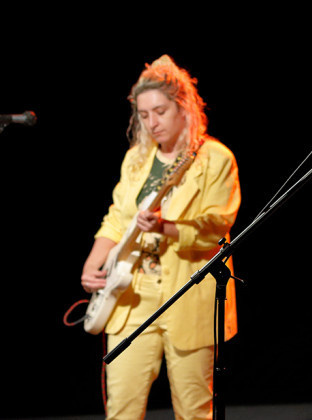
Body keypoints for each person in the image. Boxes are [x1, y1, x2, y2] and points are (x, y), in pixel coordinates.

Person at [80, 54, 241, 420]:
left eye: (160, 111)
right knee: (121, 408)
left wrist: (165, 227)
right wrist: (93, 264)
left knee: (194, 410)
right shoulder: (136, 158)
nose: (152, 122)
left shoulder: (215, 158)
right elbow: (116, 218)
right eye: (144, 114)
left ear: (184, 107)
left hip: (188, 294)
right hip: (132, 295)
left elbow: (216, 226)